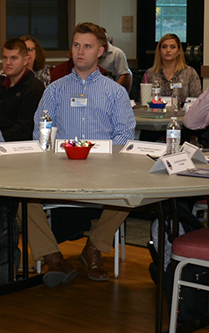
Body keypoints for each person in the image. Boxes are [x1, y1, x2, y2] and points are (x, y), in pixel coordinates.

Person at [25, 24, 136, 284]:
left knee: (134, 192)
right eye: (76, 45)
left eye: (87, 46)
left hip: (103, 171)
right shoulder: (54, 90)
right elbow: (40, 132)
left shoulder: (115, 92)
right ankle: (52, 256)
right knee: (22, 199)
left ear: (100, 51)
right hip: (60, 169)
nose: (80, 51)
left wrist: (105, 161)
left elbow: (124, 136)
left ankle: (94, 247)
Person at [0, 38, 44, 142]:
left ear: (25, 61)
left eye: (14, 58)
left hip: (19, 145)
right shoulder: (1, 87)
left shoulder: (34, 88)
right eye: (5, 58)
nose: (8, 62)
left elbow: (25, 129)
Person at [142, 33, 201, 107]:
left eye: (172, 47)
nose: (168, 50)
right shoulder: (150, 74)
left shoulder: (189, 73)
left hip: (182, 113)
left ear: (179, 51)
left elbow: (197, 100)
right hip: (156, 112)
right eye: (164, 47)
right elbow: (144, 101)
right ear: (159, 51)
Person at [95, 24, 132, 90]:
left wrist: (114, 90)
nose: (104, 43)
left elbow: (124, 75)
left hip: (112, 89)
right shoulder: (91, 53)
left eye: (105, 40)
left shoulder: (117, 53)